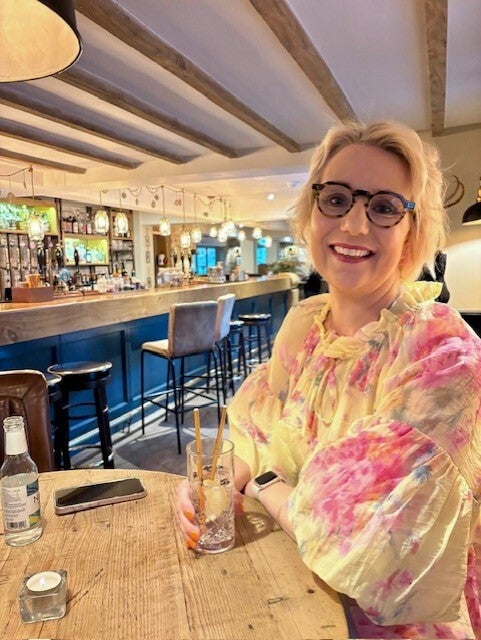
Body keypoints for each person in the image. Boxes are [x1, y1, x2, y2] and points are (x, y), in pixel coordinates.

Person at [175, 121, 481, 638]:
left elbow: (368, 543)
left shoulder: (445, 356)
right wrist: (213, 484)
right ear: (311, 215)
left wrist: (266, 485)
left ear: (412, 231)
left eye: (384, 207)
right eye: (336, 199)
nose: (354, 225)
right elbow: (253, 431)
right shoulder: (304, 325)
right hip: (282, 591)